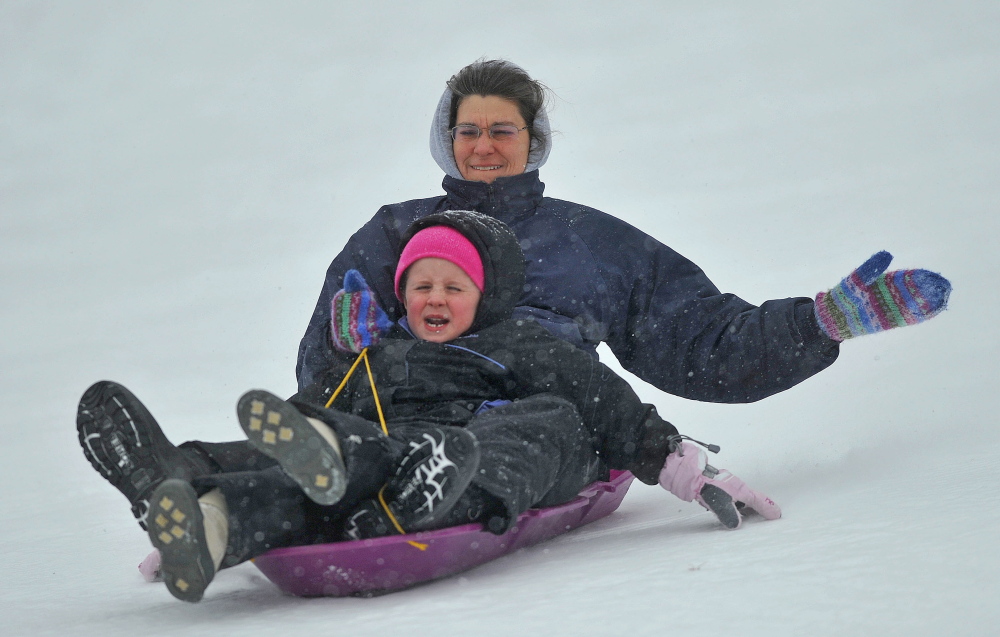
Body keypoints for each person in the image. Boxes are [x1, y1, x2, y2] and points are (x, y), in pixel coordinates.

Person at [79, 211, 781, 603]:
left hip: (477, 456)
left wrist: (686, 468)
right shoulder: (376, 354)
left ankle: (408, 476)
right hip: (368, 469)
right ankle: (194, 500)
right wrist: (342, 370)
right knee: (321, 440)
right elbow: (295, 419)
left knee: (553, 418)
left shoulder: (518, 341)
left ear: (482, 296)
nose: (435, 298)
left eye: (452, 285)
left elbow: (606, 403)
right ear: (403, 295)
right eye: (421, 286)